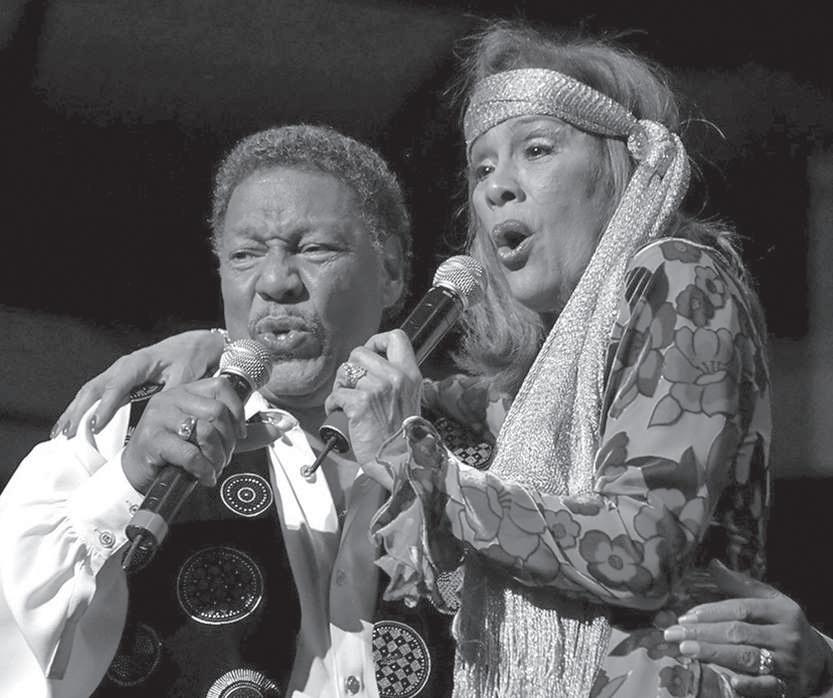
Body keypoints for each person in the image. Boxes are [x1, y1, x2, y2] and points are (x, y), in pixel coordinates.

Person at [45, 21, 833, 698]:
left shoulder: (674, 273)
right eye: (481, 168)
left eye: (535, 150)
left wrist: (416, 469)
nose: (496, 189)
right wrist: (221, 353)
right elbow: (397, 394)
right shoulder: (547, 377)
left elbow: (638, 550)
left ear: (621, 168)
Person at [0, 124, 457, 697]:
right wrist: (127, 483)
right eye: (244, 255)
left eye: (314, 249)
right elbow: (15, 641)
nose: (275, 281)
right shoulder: (119, 428)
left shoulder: (481, 445)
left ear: (390, 272)